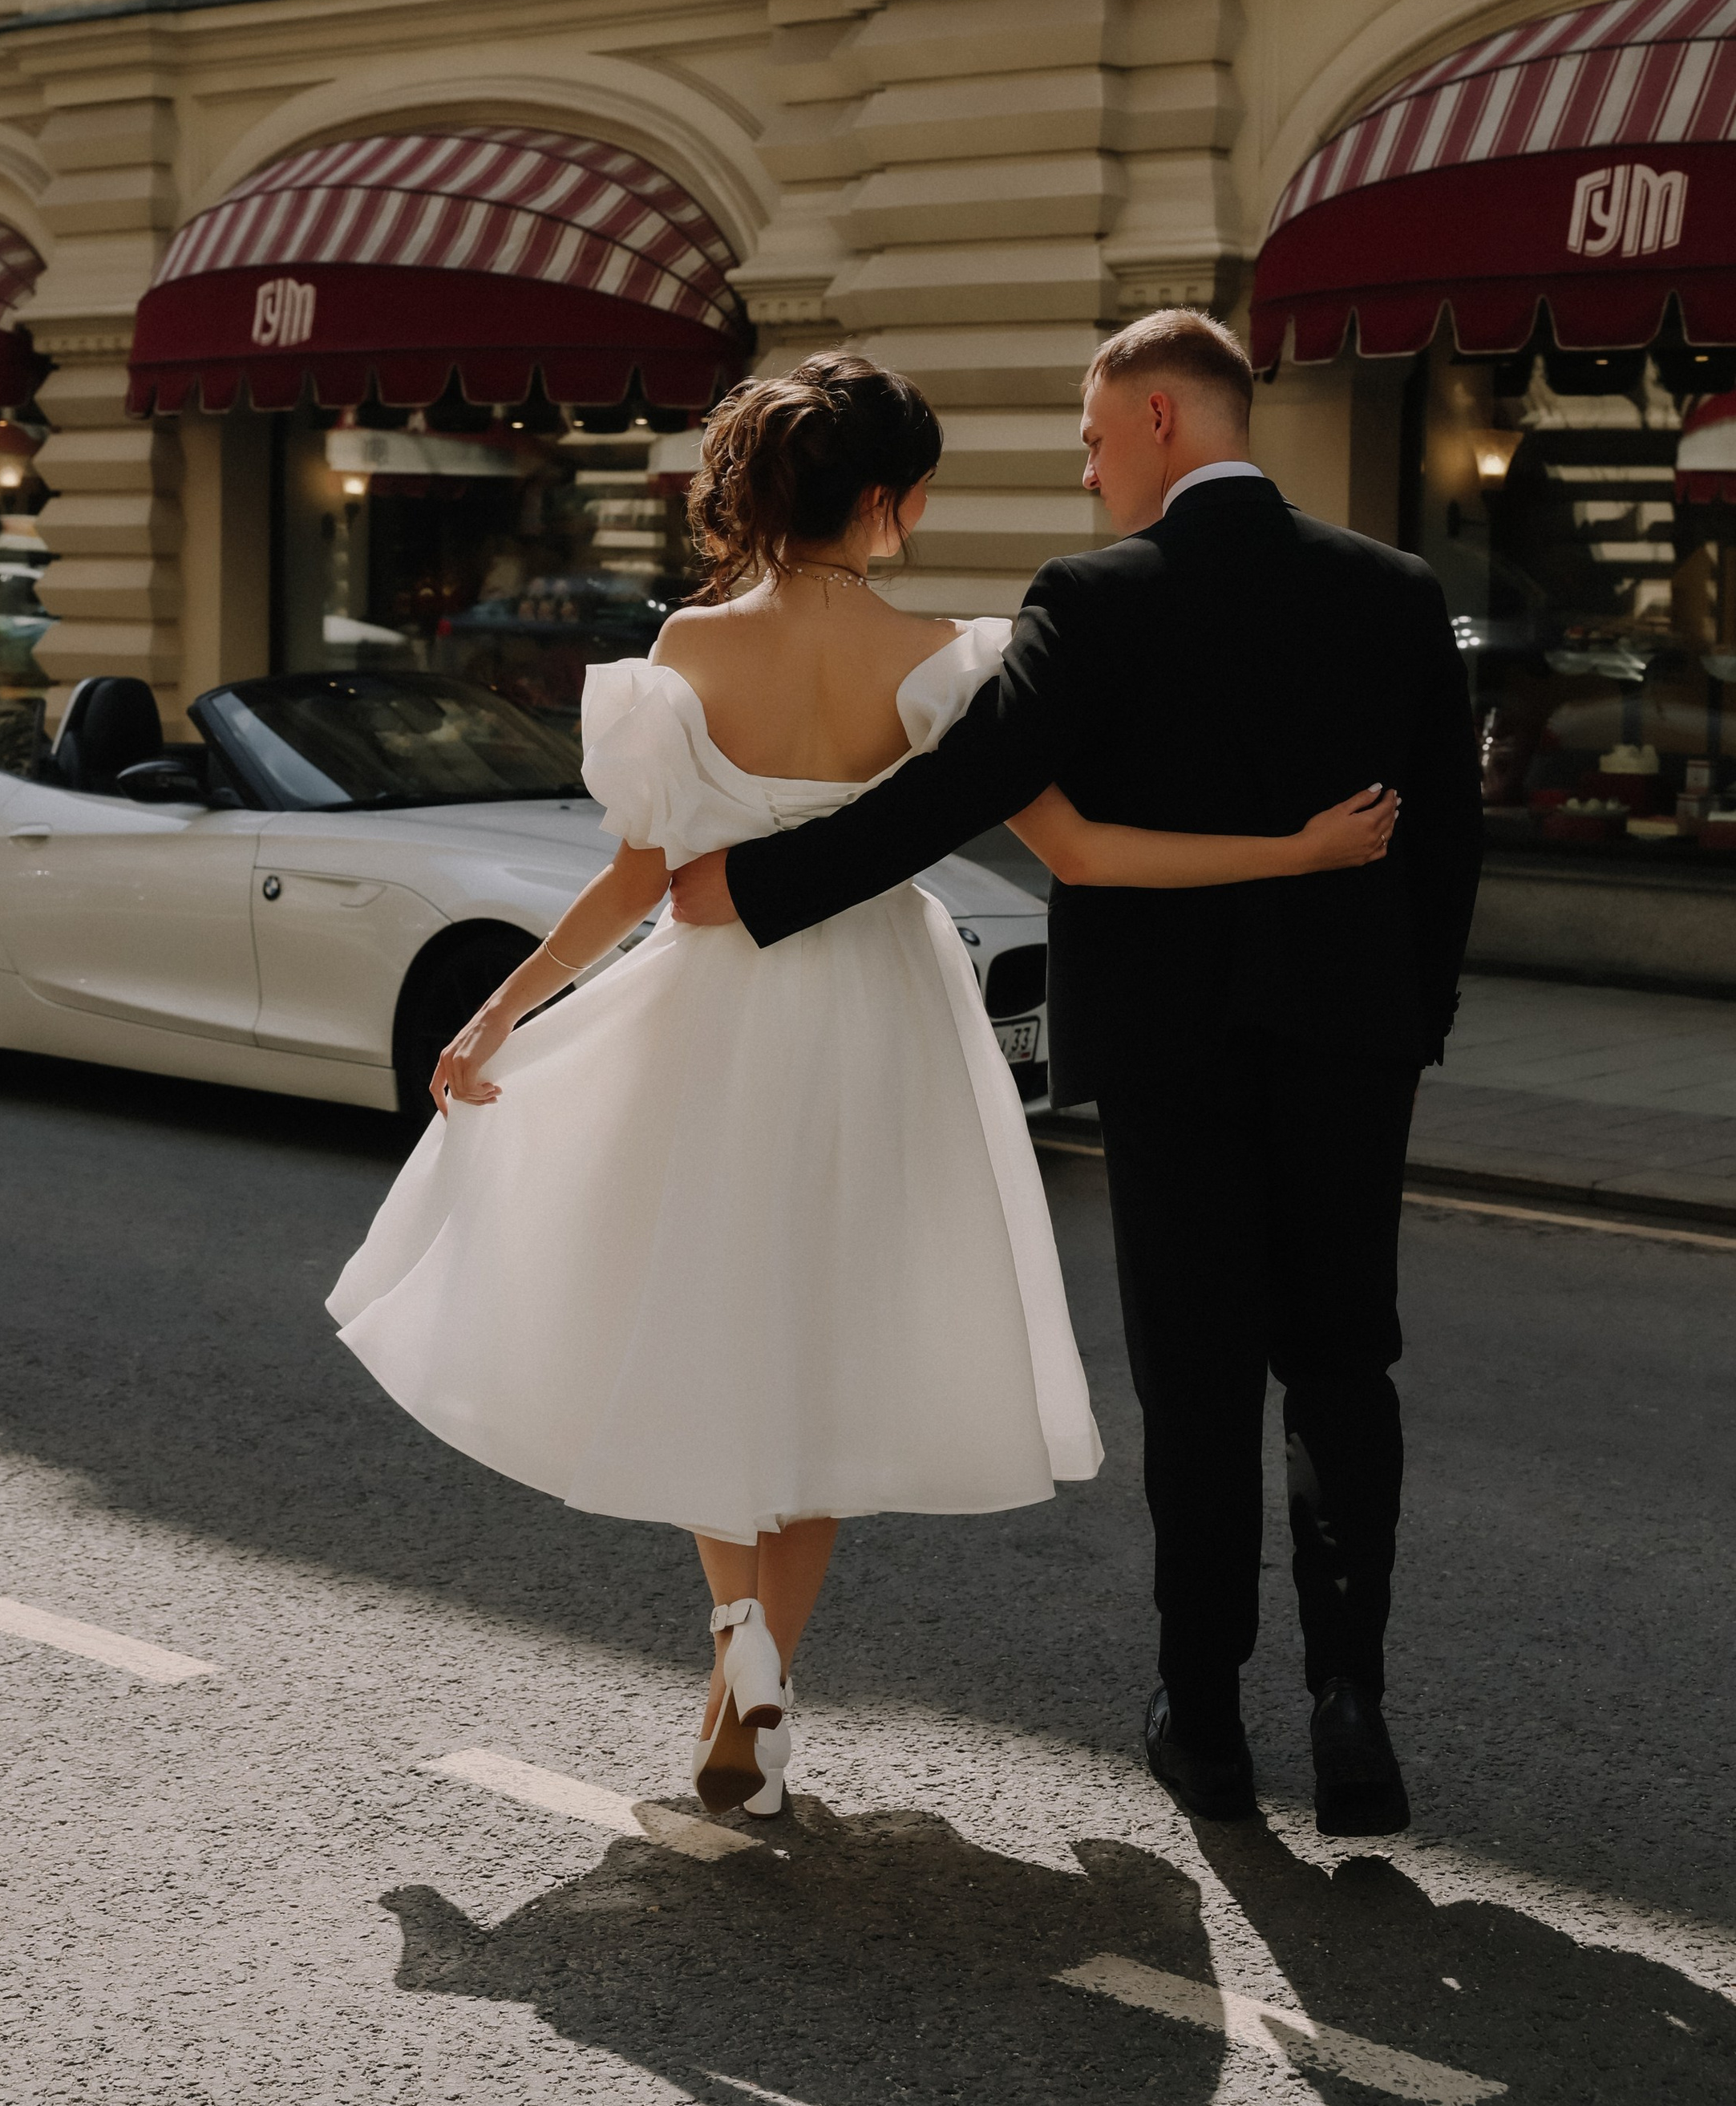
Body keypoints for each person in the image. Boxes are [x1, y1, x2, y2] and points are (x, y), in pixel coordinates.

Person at [326, 354, 1402, 1820]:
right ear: (887, 500)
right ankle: (761, 1677)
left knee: (712, 1333)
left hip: (714, 1012)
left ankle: (740, 1656)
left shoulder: (688, 650)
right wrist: (1296, 852)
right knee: (818, 1352)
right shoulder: (945, 660)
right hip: (880, 1019)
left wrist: (500, 1012)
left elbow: (637, 881)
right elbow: (1084, 856)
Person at [670, 314, 1483, 1837]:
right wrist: (1407, 1020)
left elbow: (955, 792)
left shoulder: (1096, 599)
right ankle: (1351, 1712)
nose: (1090, 469)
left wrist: (757, 889)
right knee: (1341, 1367)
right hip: (1351, 1042)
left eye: (1098, 438)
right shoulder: (1396, 590)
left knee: (1199, 1384)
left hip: (1173, 1052)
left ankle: (1208, 1725)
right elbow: (1449, 837)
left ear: (1164, 418)